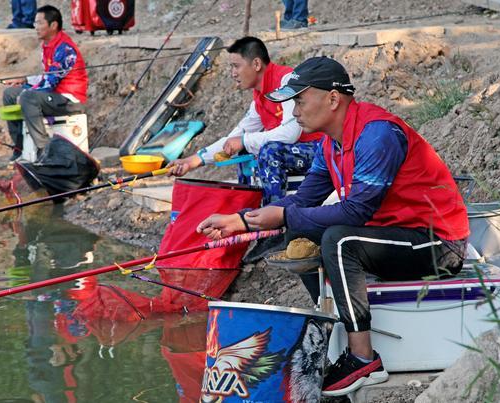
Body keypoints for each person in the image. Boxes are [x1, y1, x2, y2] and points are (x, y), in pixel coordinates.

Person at [196, 56, 470, 396]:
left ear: (332, 98)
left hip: (436, 243)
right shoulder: (330, 144)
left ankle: (363, 359)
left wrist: (282, 217)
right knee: (302, 230)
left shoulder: (378, 134)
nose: (294, 110)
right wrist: (237, 222)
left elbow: (356, 212)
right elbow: (302, 201)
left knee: (339, 240)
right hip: (392, 235)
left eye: (299, 99)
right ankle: (333, 326)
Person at [167, 36, 321, 206]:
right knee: (245, 150)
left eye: (236, 66)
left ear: (256, 64)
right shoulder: (259, 98)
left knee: (269, 151)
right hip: (293, 153)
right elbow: (236, 137)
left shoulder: (287, 81)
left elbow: (290, 134)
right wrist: (193, 161)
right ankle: (248, 212)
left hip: (320, 149)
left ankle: (273, 219)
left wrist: (244, 141)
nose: (233, 73)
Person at [2, 4, 88, 162]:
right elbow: (46, 76)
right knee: (9, 94)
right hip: (53, 96)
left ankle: (44, 150)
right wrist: (24, 81)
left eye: (39, 23)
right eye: (35, 23)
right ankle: (20, 148)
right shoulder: (47, 46)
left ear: (53, 25)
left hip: (69, 100)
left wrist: (26, 92)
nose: (35, 27)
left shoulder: (65, 49)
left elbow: (50, 83)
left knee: (28, 97)